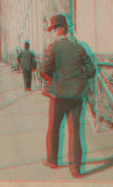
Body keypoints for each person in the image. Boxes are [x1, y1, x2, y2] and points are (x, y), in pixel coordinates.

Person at [41, 14, 96, 178]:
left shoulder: (54, 47)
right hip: (77, 96)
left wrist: (55, 80)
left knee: (54, 128)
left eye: (54, 30)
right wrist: (79, 81)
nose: (53, 33)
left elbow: (45, 70)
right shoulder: (80, 48)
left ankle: (53, 160)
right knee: (76, 132)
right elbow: (92, 70)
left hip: (58, 95)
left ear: (59, 30)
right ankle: (76, 169)